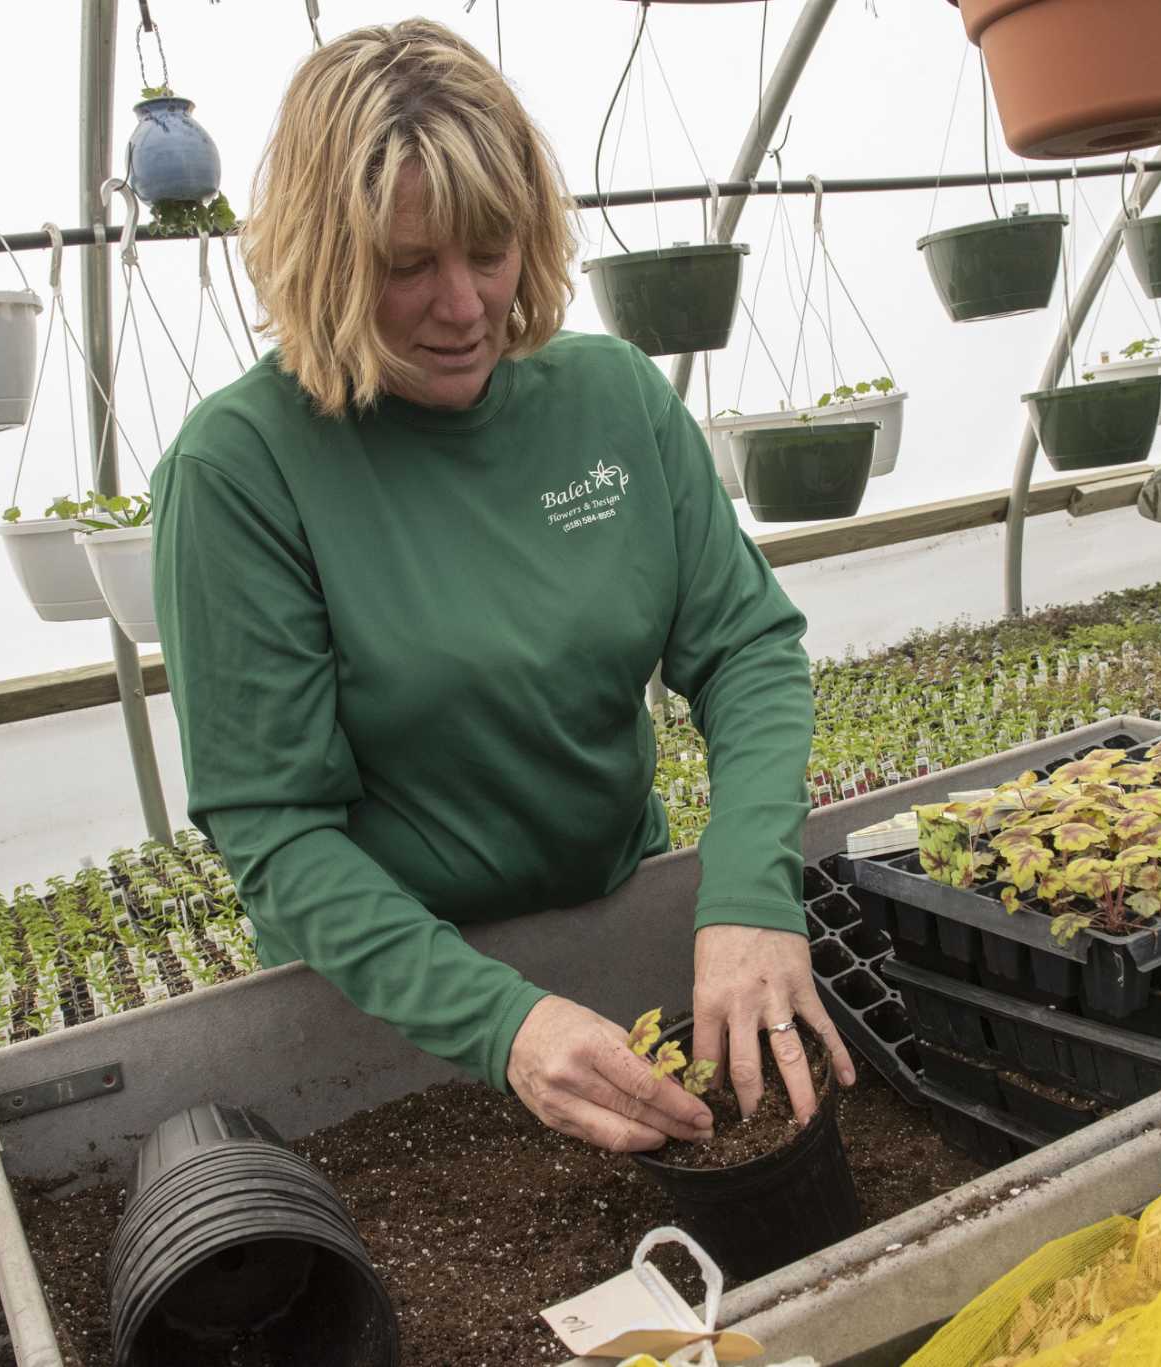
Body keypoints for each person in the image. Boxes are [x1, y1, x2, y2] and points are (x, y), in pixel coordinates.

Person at [152, 18, 853, 1155]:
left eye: (490, 250)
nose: (466, 304)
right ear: (319, 259)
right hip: (395, 1006)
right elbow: (277, 832)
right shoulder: (240, 469)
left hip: (626, 934)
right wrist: (503, 1024)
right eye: (406, 265)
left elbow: (746, 650)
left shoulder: (610, 398)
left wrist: (746, 893)